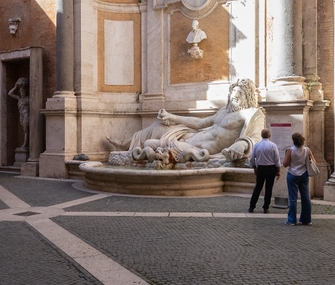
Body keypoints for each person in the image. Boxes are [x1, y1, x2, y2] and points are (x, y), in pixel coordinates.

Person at [106, 79, 265, 165]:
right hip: (190, 137)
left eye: (239, 94)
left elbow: (257, 138)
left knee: (150, 144)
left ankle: (148, 153)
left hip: (196, 149)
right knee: (157, 126)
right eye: (233, 93)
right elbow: (199, 123)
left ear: (247, 96)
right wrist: (172, 117)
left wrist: (242, 144)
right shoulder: (223, 111)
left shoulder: (252, 113)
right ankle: (125, 145)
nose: (235, 96)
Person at [282, 132, 316, 225]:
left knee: (293, 198)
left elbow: (285, 164)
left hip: (292, 174)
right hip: (304, 174)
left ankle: (292, 220)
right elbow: (314, 162)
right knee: (306, 197)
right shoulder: (307, 150)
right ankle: (306, 219)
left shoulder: (290, 150)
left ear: (293, 141)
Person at [248, 128, 280, 213]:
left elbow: (252, 159)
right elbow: (277, 160)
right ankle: (266, 207)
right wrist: (278, 171)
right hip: (271, 168)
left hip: (261, 168)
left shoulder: (256, 145)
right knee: (269, 188)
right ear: (269, 135)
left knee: (258, 187)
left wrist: (255, 167)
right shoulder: (273, 145)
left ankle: (252, 206)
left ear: (261, 135)